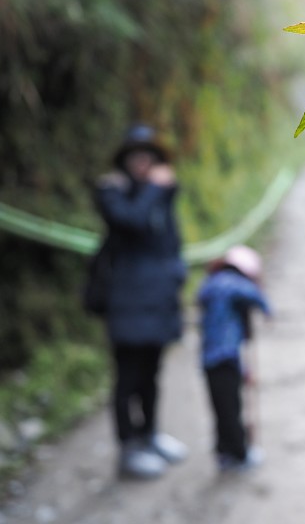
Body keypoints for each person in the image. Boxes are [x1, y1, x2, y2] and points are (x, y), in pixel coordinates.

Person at [94, 123, 188, 479]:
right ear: (124, 159)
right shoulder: (111, 192)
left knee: (152, 374)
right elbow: (130, 222)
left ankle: (150, 436)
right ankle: (128, 448)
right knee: (127, 377)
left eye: (148, 155)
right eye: (135, 155)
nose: (142, 162)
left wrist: (177, 275)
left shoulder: (160, 195)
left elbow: (170, 242)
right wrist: (154, 188)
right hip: (126, 302)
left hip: (159, 301)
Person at [197, 245, 272, 473]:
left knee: (221, 407)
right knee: (231, 408)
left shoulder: (211, 284)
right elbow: (252, 295)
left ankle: (224, 452)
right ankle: (240, 453)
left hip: (212, 358)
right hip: (224, 358)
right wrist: (266, 308)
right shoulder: (229, 284)